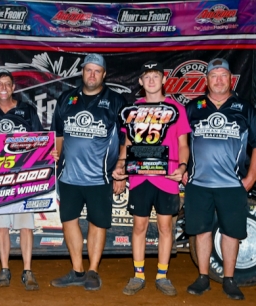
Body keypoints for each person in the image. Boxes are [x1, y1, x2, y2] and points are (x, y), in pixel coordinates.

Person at [112, 61, 190, 296]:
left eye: (156, 76)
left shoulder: (177, 108)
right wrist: (120, 165)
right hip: (139, 177)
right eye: (147, 77)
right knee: (139, 226)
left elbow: (183, 144)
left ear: (164, 79)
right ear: (140, 82)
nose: (152, 81)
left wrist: (183, 165)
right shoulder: (132, 110)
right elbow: (128, 143)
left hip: (167, 176)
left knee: (166, 227)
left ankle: (162, 275)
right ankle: (138, 275)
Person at [49, 54, 126, 291]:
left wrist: (121, 167)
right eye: (88, 70)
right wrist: (54, 157)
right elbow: (58, 136)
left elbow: (127, 139)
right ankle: (77, 270)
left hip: (100, 177)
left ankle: (93, 271)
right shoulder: (66, 98)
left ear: (104, 74)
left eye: (97, 71)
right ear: (82, 72)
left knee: (97, 223)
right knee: (69, 221)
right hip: (68, 176)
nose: (92, 75)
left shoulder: (116, 101)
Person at [183, 58, 256, 301]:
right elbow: (180, 142)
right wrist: (182, 168)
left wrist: (252, 176)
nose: (219, 80)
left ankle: (229, 279)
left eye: (223, 75)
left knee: (231, 232)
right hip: (198, 184)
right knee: (202, 231)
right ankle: (203, 277)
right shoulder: (193, 107)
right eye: (214, 75)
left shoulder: (245, 108)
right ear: (206, 81)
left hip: (232, 184)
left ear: (230, 79)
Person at [0, 69, 43, 291]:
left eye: (7, 83)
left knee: (25, 226)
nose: (3, 87)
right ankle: (4, 269)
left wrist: (48, 156)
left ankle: (27, 270)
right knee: (1, 226)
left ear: (13, 87)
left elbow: (40, 140)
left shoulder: (27, 110)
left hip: (23, 176)